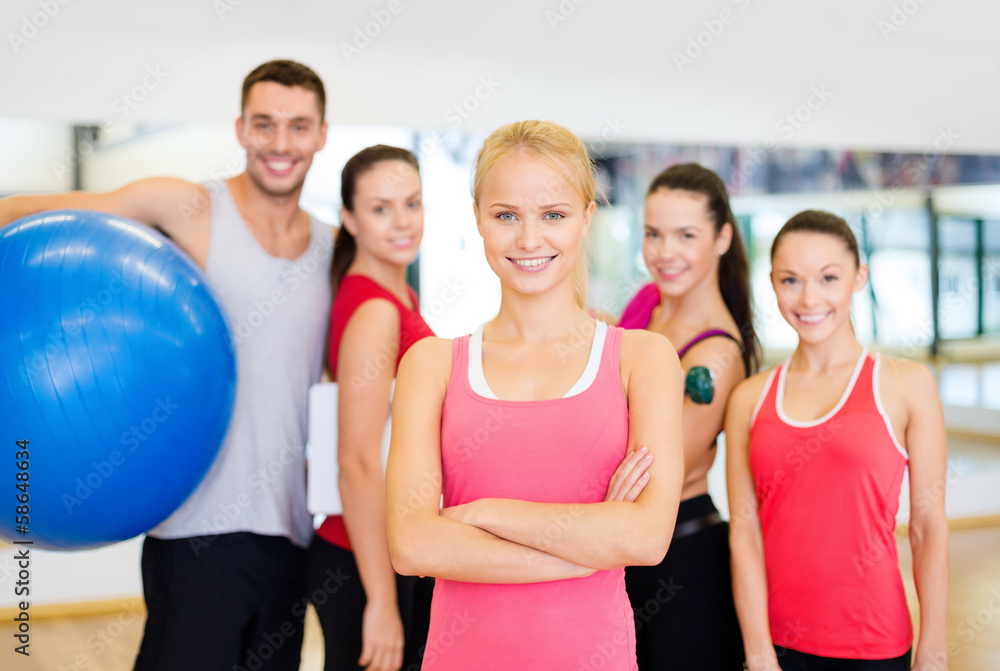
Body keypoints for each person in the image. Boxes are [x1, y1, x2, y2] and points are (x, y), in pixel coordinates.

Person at [0, 59, 333, 671]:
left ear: (321, 134)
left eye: (297, 126)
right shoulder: (188, 207)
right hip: (193, 531)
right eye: (264, 124)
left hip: (290, 532)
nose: (280, 143)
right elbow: (20, 209)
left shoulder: (332, 249)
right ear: (240, 129)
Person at [385, 120, 685, 671]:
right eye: (506, 216)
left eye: (553, 215)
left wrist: (480, 514)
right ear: (478, 218)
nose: (529, 240)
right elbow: (412, 546)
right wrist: (585, 547)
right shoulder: (431, 366)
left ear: (587, 217)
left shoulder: (642, 360)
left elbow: (644, 539)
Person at [726, 210, 950, 671]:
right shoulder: (749, 397)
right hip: (778, 643)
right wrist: (758, 651)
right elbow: (744, 532)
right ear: (772, 283)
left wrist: (933, 650)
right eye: (791, 280)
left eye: (828, 278)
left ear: (858, 277)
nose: (809, 298)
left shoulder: (907, 385)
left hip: (874, 641)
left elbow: (928, 526)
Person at [616, 163, 756, 669]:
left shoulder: (715, 356)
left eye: (685, 235)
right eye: (653, 233)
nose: (664, 252)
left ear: (721, 238)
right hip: (623, 549)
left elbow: (652, 476)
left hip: (682, 560)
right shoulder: (647, 305)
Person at [306, 145, 434, 671]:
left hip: (385, 549)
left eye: (412, 203)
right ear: (349, 220)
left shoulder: (396, 294)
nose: (403, 222)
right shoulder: (377, 310)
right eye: (381, 209)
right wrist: (381, 600)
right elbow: (356, 461)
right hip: (363, 559)